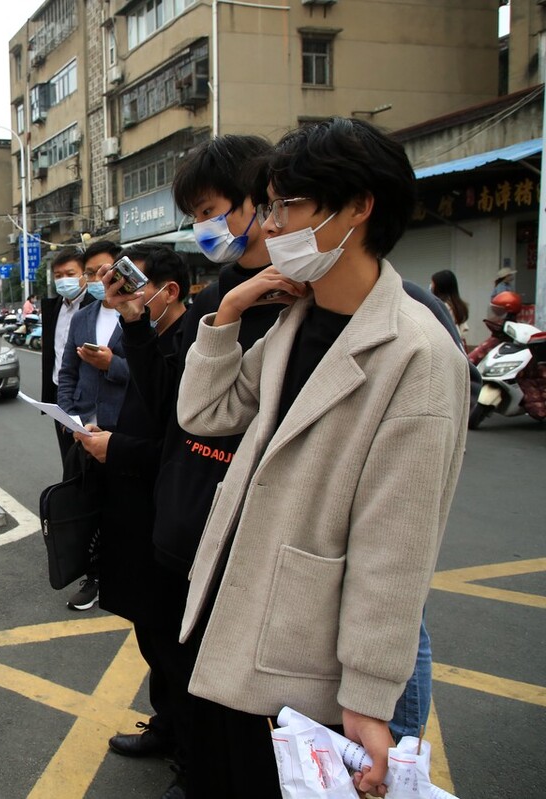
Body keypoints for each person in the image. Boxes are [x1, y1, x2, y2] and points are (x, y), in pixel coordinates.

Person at [175, 118, 469, 797]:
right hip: (231, 616)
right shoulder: (296, 320)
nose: (271, 225)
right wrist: (228, 312)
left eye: (288, 205)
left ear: (359, 207)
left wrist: (369, 694)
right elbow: (207, 412)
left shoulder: (416, 352)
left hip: (303, 653)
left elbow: (394, 546)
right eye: (270, 205)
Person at [75, 243, 188, 780]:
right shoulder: (144, 337)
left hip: (169, 520)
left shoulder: (190, 346)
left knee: (174, 643)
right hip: (133, 508)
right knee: (151, 633)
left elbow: (180, 445)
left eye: (131, 284)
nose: (120, 294)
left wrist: (115, 448)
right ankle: (168, 727)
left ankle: (194, 761)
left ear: (168, 291)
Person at [54, 241, 129, 611]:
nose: (98, 279)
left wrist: (112, 365)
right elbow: (67, 372)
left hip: (123, 432)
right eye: (90, 272)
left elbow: (155, 377)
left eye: (105, 270)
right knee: (87, 507)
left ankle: (123, 575)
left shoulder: (140, 315)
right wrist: (70, 417)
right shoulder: (84, 317)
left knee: (123, 510)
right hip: (84, 431)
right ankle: (94, 576)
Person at [39, 246, 96, 465]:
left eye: (70, 274)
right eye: (58, 276)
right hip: (60, 394)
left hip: (88, 394)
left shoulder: (95, 306)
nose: (64, 280)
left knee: (89, 456)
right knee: (68, 455)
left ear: (84, 275)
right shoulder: (54, 308)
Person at [431, 269, 469, 347]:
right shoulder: (458, 304)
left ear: (440, 286)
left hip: (445, 345)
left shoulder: (443, 306)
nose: (431, 286)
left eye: (432, 283)